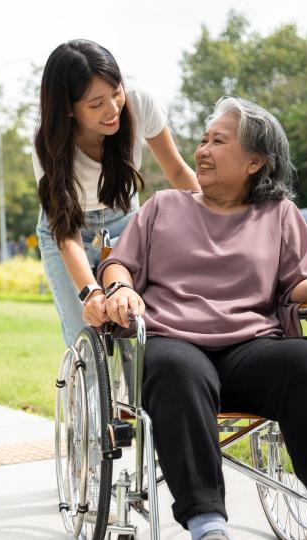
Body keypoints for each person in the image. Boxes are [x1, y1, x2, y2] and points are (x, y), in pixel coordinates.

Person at [95, 96, 307, 540]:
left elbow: (299, 280)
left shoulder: (278, 215)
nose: (201, 150)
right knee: (178, 368)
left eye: (217, 141)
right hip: (175, 342)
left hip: (250, 351)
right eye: (202, 140)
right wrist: (120, 286)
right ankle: (209, 527)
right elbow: (118, 263)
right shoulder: (164, 206)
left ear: (254, 162)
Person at [33, 39, 201, 347]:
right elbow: (65, 231)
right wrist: (91, 293)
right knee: (88, 336)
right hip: (70, 232)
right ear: (69, 109)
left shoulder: (140, 106)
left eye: (116, 92)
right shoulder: (49, 144)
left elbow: (178, 172)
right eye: (96, 104)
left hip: (125, 223)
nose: (113, 110)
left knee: (133, 326)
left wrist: (219, 220)